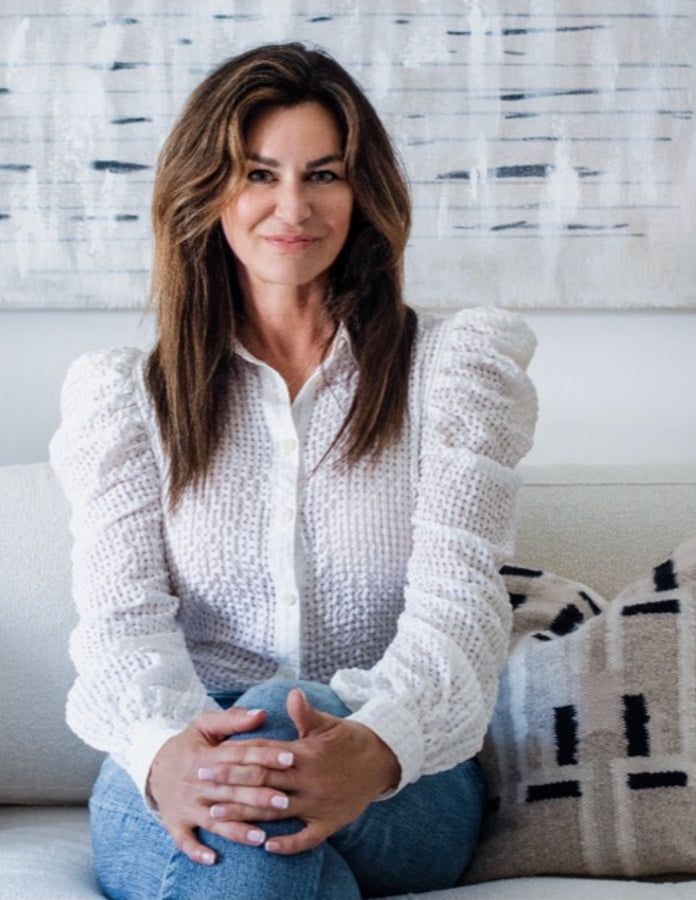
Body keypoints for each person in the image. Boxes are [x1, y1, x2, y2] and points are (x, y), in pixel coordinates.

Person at [50, 41, 537, 900]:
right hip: (176, 756)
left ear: (363, 192)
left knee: (275, 719)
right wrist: (170, 752)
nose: (293, 206)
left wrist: (375, 743)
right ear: (207, 190)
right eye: (258, 173)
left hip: (400, 770)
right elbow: (120, 628)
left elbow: (461, 615)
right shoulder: (126, 398)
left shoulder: (455, 371)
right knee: (257, 832)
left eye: (325, 173)